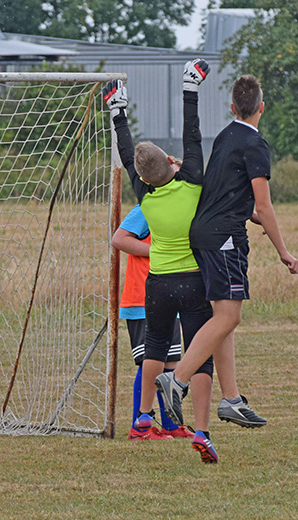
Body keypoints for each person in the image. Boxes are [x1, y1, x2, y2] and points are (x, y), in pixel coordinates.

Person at [155, 75, 298, 431]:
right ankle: (178, 379)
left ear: (233, 108)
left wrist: (243, 213)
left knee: (224, 316)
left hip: (205, 232)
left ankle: (231, 399)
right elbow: (264, 205)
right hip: (224, 239)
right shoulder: (255, 144)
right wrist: (283, 251)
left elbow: (225, 190)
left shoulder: (225, 136)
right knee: (228, 317)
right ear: (261, 108)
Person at [103, 59, 218, 463]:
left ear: (141, 177)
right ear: (172, 165)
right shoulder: (190, 185)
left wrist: (117, 111)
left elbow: (126, 148)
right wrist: (190, 89)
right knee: (197, 356)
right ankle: (201, 432)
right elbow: (193, 134)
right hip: (192, 281)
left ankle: (142, 420)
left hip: (157, 284)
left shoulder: (145, 195)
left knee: (154, 351)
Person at [112, 203, 198, 441]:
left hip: (169, 297)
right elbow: (119, 239)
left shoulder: (180, 208)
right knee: (151, 363)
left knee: (171, 364)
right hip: (142, 301)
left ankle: (170, 425)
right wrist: (158, 251)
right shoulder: (147, 208)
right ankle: (139, 426)